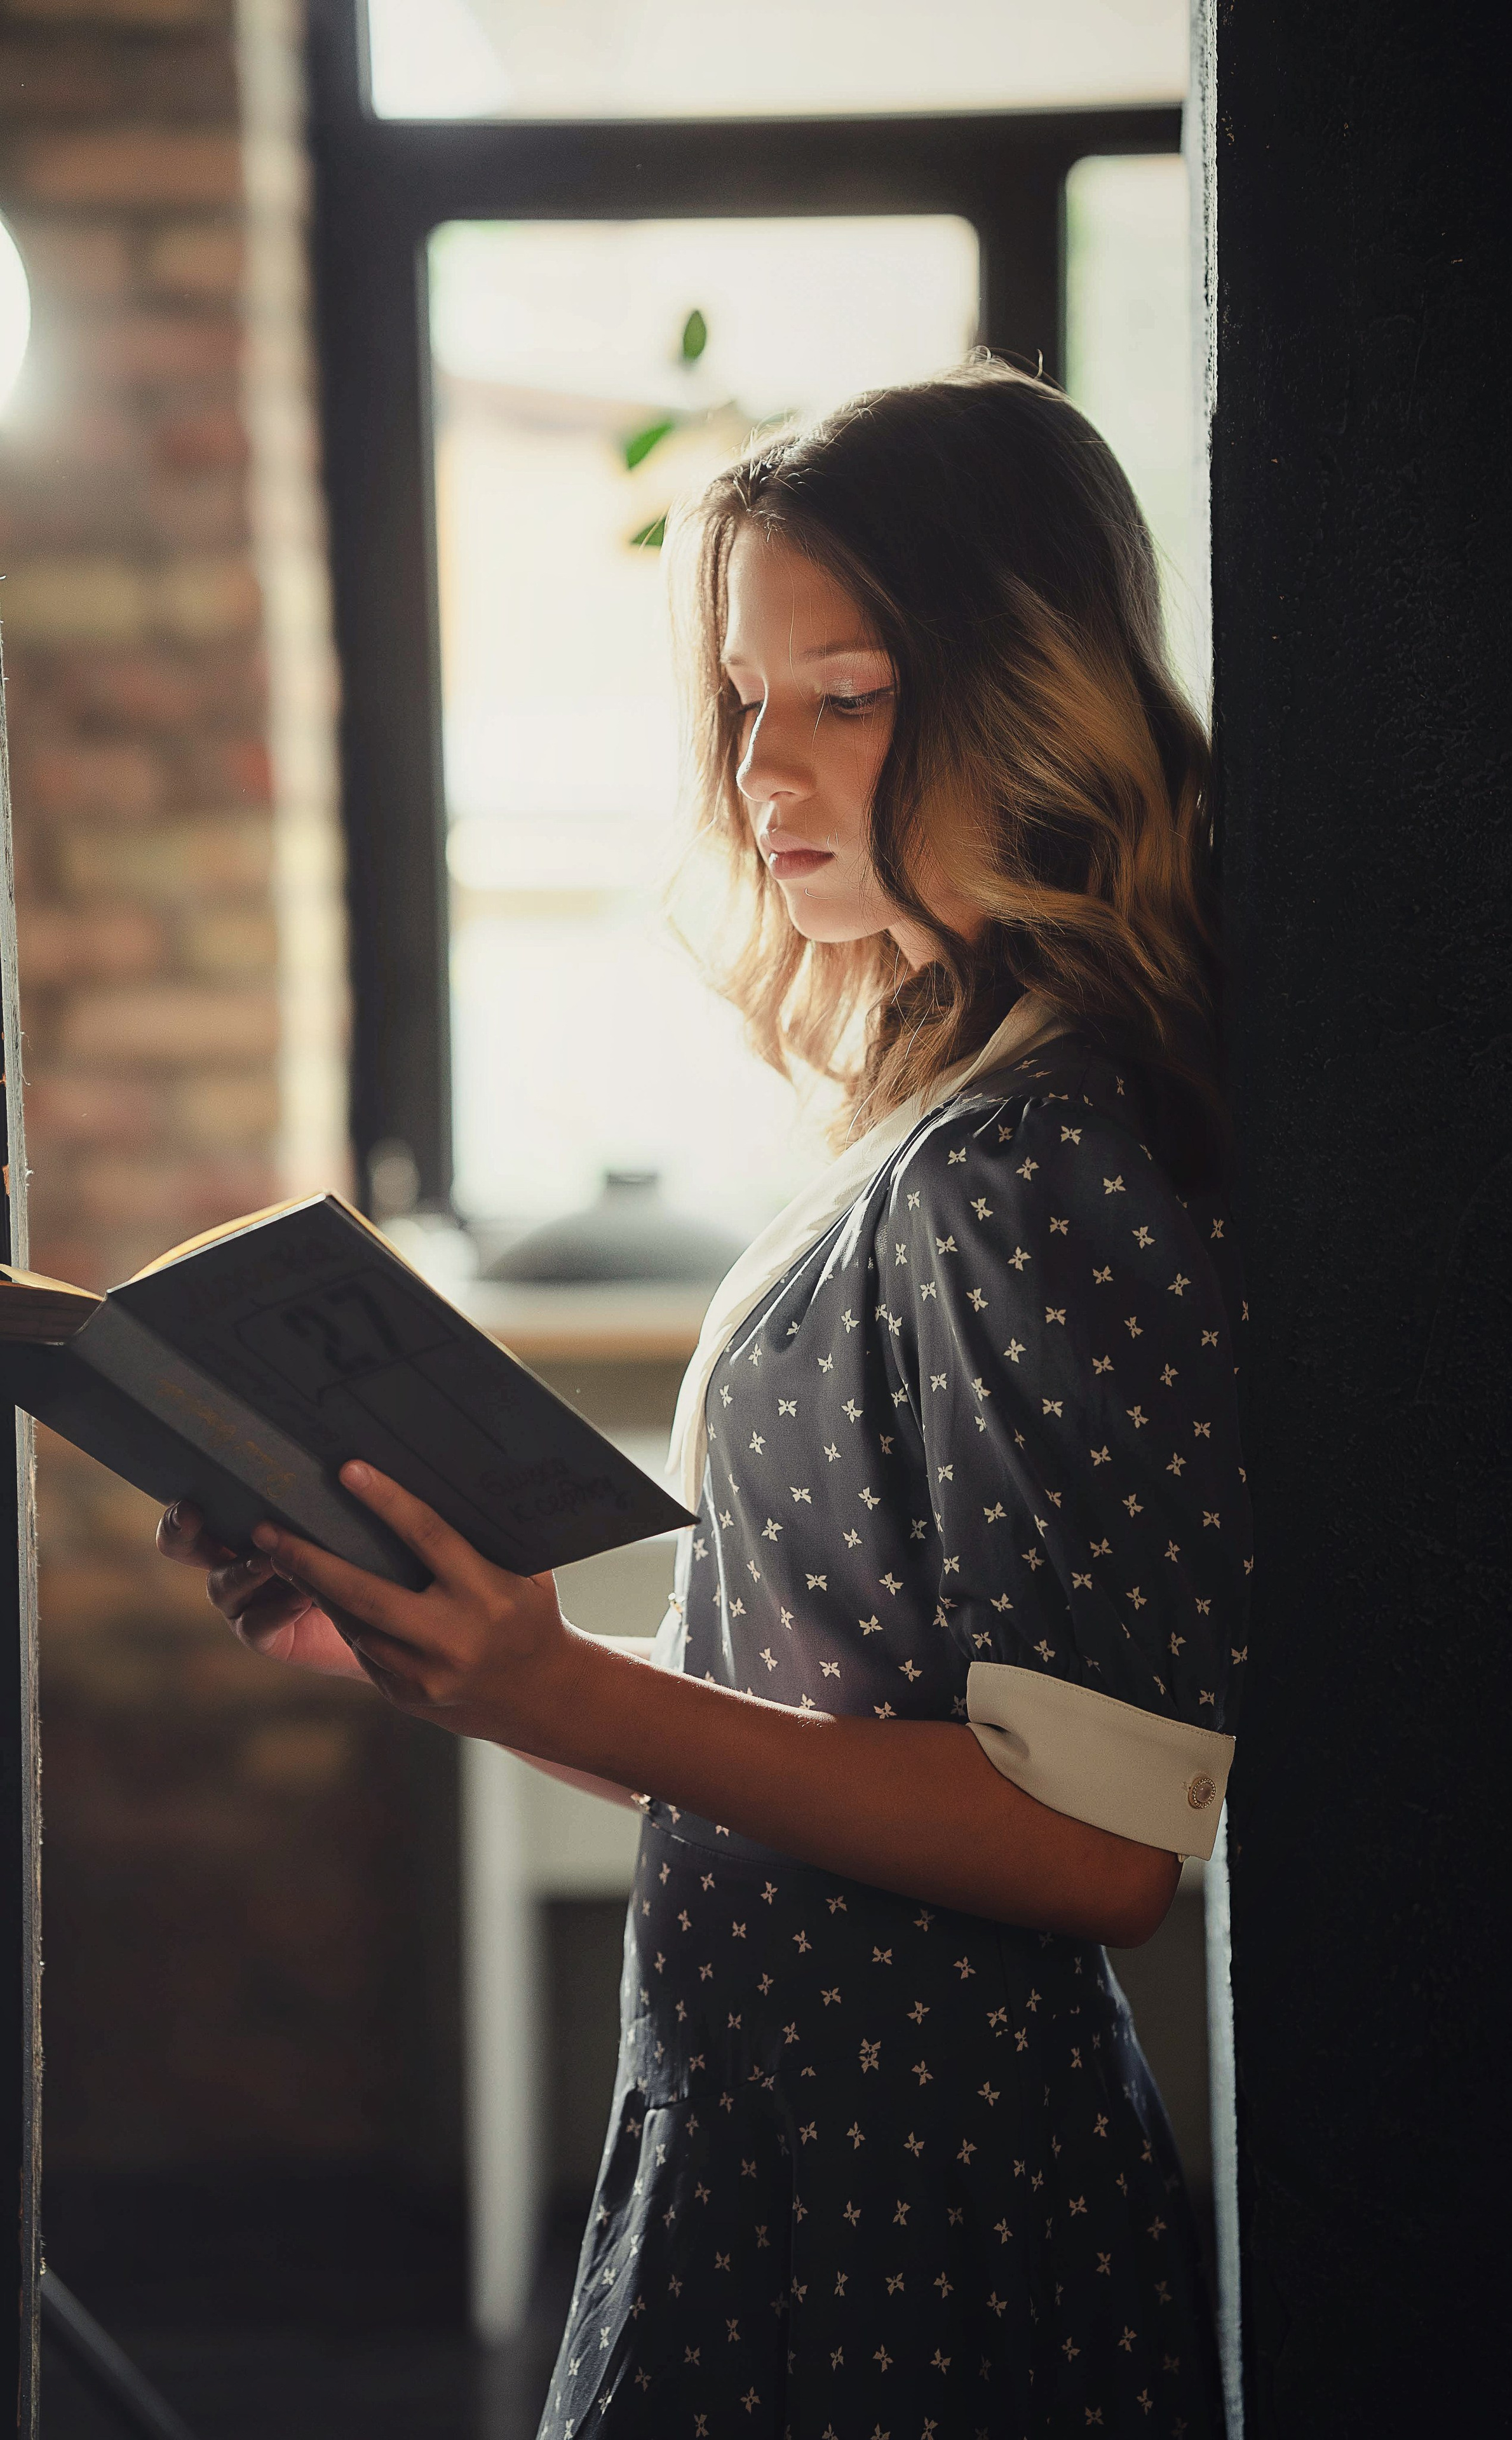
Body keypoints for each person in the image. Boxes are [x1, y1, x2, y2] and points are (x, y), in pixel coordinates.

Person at [160, 360, 1250, 2437]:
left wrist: (557, 1687)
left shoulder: (1044, 1158)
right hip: (777, 2144)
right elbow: (818, 1726)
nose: (766, 766)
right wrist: (459, 1655)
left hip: (911, 2212)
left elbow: (1102, 1841)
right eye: (748, 698)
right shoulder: (950, 1114)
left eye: (849, 694)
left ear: (1031, 694)